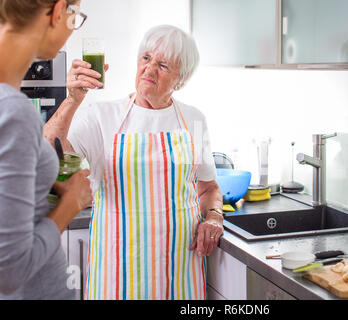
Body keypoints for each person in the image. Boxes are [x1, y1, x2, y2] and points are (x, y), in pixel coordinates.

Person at [44, 25, 224, 300]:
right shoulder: (101, 116)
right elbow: (49, 153)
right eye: (145, 58)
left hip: (179, 271)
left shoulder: (194, 120)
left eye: (162, 65)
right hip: (117, 272)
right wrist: (73, 99)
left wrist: (213, 216)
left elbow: (208, 188)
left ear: (182, 80)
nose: (149, 70)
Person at [0, 0, 92, 300]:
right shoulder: (13, 110)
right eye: (75, 16)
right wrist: (72, 202)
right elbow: (9, 271)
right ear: (58, 12)